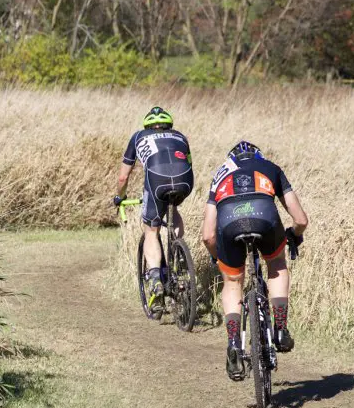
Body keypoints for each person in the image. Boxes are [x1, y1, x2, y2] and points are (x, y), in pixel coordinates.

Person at [202, 141, 308, 380]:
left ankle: (234, 345)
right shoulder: (271, 167)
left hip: (228, 223)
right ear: (257, 155)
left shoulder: (219, 175)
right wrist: (294, 235)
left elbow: (208, 235)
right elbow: (300, 219)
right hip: (265, 218)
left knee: (232, 282)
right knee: (277, 265)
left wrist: (217, 255)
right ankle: (280, 329)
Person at [113, 107, 194, 312]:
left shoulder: (138, 136)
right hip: (185, 181)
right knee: (173, 210)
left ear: (147, 125)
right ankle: (178, 254)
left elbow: (123, 177)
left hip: (157, 182)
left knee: (151, 230)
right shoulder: (180, 136)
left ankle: (156, 278)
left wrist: (119, 197)